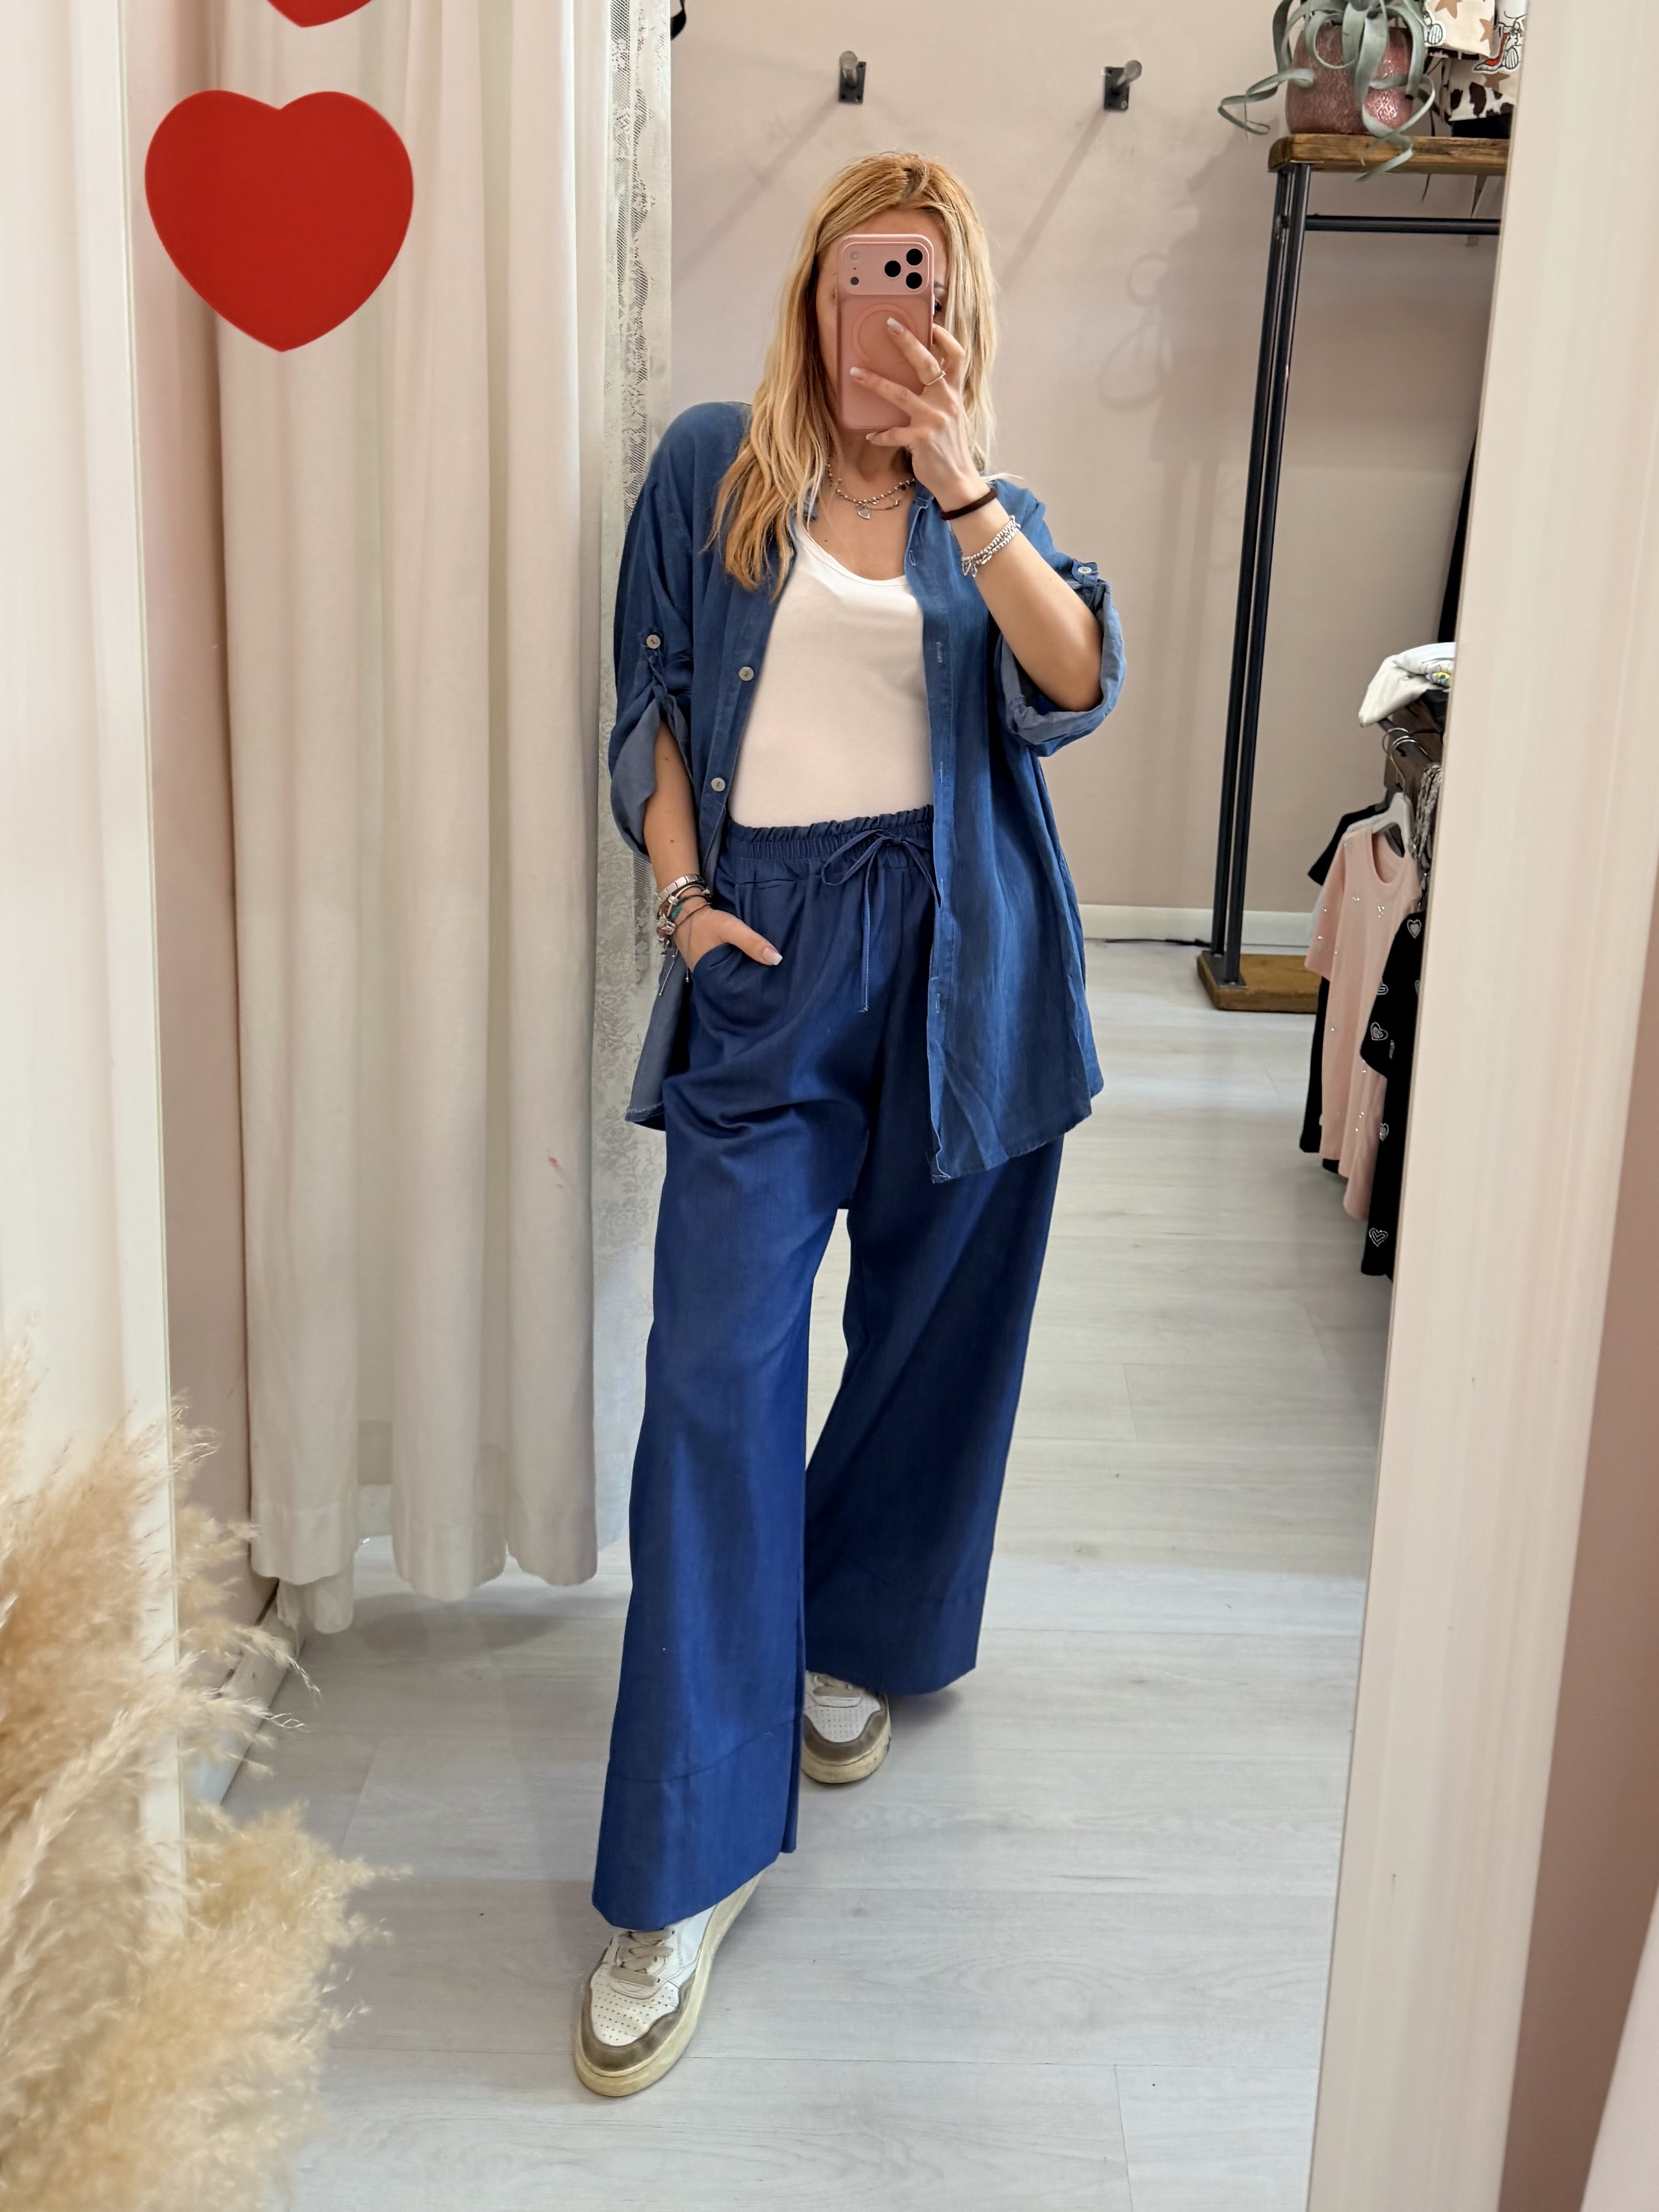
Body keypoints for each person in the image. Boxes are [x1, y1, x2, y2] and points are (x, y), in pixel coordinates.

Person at [575, 151, 1125, 2097]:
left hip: (971, 954)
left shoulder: (999, 516)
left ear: (961, 312)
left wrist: (965, 489)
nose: (887, 311)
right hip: (768, 951)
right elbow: (647, 709)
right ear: (813, 297)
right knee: (713, 1367)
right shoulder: (712, 472)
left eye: (923, 282)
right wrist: (682, 906)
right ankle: (680, 1864)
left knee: (930, 1333)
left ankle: (850, 1630)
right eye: (859, 276)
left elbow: (1077, 681)